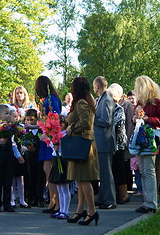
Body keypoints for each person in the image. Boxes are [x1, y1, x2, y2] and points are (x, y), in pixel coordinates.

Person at [66, 77, 99, 225]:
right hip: (83, 143)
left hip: (82, 143)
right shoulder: (86, 102)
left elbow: (85, 122)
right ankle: (80, 210)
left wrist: (71, 127)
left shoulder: (81, 103)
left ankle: (92, 212)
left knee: (84, 180)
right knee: (80, 180)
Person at [133, 76, 160, 213]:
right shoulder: (140, 103)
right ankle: (147, 201)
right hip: (141, 138)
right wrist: (134, 117)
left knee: (149, 170)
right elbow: (135, 118)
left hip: (151, 139)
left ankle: (151, 203)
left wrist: (148, 119)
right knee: (143, 170)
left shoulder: (157, 103)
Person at [34, 75, 61, 214]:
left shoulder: (51, 100)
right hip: (46, 136)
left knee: (49, 169)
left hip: (50, 138)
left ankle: (55, 201)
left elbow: (55, 118)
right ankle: (53, 200)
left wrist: (49, 134)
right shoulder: (48, 100)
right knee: (47, 169)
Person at [93, 76, 117, 209]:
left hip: (105, 140)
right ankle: (103, 198)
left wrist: (92, 119)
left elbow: (106, 121)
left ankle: (110, 200)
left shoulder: (107, 100)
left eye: (94, 85)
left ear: (97, 86)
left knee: (106, 172)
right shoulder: (102, 99)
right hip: (101, 141)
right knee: (102, 171)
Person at [107, 83, 129, 204]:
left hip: (119, 144)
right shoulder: (109, 108)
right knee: (113, 169)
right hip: (110, 143)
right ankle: (114, 193)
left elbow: (116, 125)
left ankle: (124, 195)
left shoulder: (119, 109)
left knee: (119, 169)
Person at [50, 116, 71, 219]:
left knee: (64, 187)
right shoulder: (56, 135)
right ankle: (61, 209)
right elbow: (51, 145)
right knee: (59, 187)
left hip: (63, 160)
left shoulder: (65, 135)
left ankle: (65, 210)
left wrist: (57, 144)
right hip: (56, 158)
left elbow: (64, 147)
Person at [24, 108, 45, 207]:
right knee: (30, 176)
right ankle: (30, 198)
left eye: (31, 120)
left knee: (40, 176)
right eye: (27, 120)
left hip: (39, 155)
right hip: (29, 156)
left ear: (36, 119)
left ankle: (40, 198)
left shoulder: (41, 130)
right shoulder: (25, 132)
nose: (29, 122)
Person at [9, 109, 29, 208]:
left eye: (17, 116)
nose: (16, 118)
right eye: (14, 116)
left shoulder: (21, 127)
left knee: (20, 178)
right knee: (12, 178)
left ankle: (22, 199)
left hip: (20, 153)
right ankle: (12, 199)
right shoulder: (8, 128)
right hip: (11, 155)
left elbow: (24, 139)